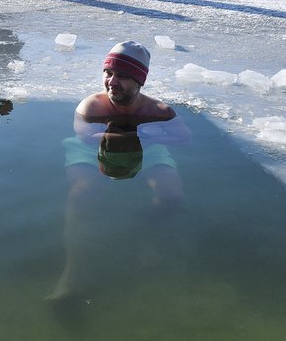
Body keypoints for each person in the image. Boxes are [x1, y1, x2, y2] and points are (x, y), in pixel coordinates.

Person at [49, 41, 191, 301]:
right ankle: (70, 273)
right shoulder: (92, 106)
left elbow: (184, 138)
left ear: (139, 81)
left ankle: (142, 233)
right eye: (109, 73)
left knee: (172, 197)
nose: (112, 81)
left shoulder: (157, 110)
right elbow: (85, 137)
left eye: (123, 76)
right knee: (82, 192)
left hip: (146, 149)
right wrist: (137, 132)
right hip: (93, 151)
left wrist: (147, 134)